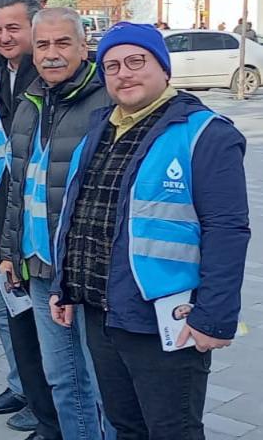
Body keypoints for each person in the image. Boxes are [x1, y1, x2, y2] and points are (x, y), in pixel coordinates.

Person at [50, 23, 250, 439]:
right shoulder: (100, 127)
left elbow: (227, 229)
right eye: (112, 66)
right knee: (126, 425)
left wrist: (214, 318)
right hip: (100, 310)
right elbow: (80, 213)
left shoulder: (206, 134)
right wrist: (64, 285)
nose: (124, 73)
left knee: (172, 429)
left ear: (164, 68)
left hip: (164, 316)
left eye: (136, 61)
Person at [0, 7, 111, 440]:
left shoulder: (106, 103)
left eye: (63, 43)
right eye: (43, 44)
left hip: (88, 272)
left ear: (84, 46)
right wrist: (10, 253)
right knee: (62, 376)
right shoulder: (30, 103)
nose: (52, 54)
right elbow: (18, 188)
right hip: (39, 266)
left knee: (102, 380)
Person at [0, 0, 58, 436]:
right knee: (4, 310)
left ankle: (49, 402)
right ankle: (21, 385)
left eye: (13, 28)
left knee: (37, 315)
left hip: (37, 219)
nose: (3, 37)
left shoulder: (50, 77)